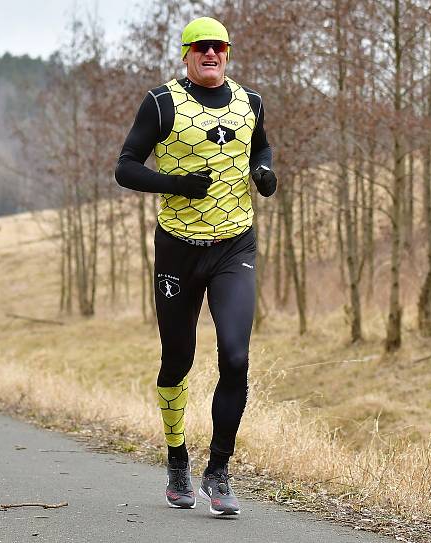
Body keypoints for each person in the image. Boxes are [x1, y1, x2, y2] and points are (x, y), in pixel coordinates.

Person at [115, 16, 276, 516]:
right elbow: (126, 167)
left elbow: (260, 146)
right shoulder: (160, 103)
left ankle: (219, 472)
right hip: (178, 251)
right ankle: (177, 458)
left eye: (219, 47)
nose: (211, 54)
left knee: (235, 357)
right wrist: (178, 185)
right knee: (177, 360)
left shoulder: (250, 102)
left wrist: (264, 170)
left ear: (228, 53)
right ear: (186, 54)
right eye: (201, 47)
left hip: (233, 246)